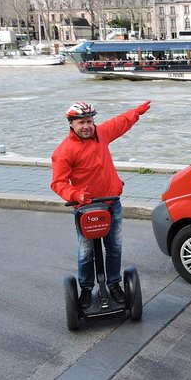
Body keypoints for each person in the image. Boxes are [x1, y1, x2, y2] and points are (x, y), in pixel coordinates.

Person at [51, 100, 151, 309]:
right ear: (71, 124)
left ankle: (113, 283)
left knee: (114, 247)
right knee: (86, 252)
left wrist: (136, 112)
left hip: (111, 204)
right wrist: (76, 195)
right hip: (85, 208)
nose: (86, 126)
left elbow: (119, 123)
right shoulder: (65, 151)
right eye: (81, 123)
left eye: (89, 121)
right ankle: (86, 289)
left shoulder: (101, 134)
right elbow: (58, 183)